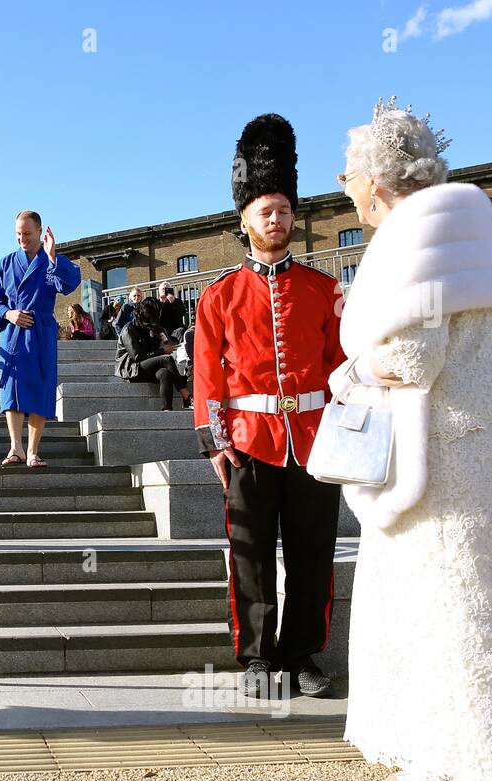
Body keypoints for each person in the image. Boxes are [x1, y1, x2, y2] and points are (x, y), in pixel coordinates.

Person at [335, 99, 492, 781]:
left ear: (379, 181)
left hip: (446, 447)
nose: (346, 187)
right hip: (481, 434)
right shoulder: (463, 228)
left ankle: (453, 758)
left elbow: (411, 356)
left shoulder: (410, 238)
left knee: (448, 605)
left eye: (352, 176)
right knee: (483, 601)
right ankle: (488, 755)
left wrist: (349, 371)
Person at [193, 113, 345, 699]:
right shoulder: (219, 295)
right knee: (251, 555)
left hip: (314, 437)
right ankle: (256, 657)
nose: (276, 219)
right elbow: (208, 373)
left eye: (283, 209)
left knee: (314, 553)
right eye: (265, 210)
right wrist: (216, 439)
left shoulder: (322, 288)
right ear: (245, 220)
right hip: (249, 440)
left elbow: (341, 364)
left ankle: (302, 653)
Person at [0, 210, 82, 468]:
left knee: (40, 389)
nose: (22, 239)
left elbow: (70, 283)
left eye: (27, 233)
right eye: (18, 234)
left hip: (41, 333)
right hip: (13, 334)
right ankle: (16, 448)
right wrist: (8, 313)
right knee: (12, 391)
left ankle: (34, 451)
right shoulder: (5, 264)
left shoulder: (53, 261)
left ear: (40, 232)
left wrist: (52, 256)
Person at [115, 298, 188, 409]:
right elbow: (137, 357)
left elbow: (160, 347)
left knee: (165, 373)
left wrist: (160, 338)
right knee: (166, 359)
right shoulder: (128, 330)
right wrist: (162, 351)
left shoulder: (150, 329)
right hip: (131, 368)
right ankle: (186, 395)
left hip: (146, 367)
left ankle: (167, 409)